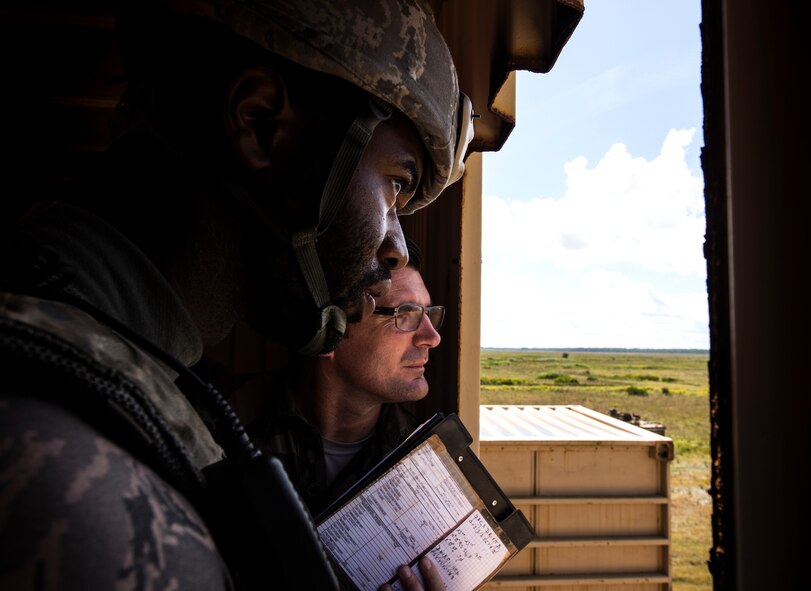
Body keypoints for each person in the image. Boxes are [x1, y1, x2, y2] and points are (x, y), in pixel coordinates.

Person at [0, 1, 473, 590]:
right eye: (394, 185)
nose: (397, 248)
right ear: (259, 123)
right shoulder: (92, 503)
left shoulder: (108, 368)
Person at [241, 237, 444, 516]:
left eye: (429, 314)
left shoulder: (421, 457)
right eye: (405, 314)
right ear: (329, 332)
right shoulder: (226, 427)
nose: (432, 337)